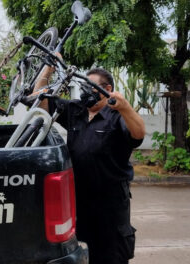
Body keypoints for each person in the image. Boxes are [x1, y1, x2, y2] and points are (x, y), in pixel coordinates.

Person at [34, 63, 145, 264]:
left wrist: (126, 107)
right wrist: (48, 69)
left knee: (111, 257)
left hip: (110, 204)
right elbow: (38, 101)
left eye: (90, 88)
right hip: (78, 201)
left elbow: (138, 135)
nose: (85, 93)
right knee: (82, 255)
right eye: (83, 88)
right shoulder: (75, 110)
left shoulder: (118, 115)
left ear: (107, 90)